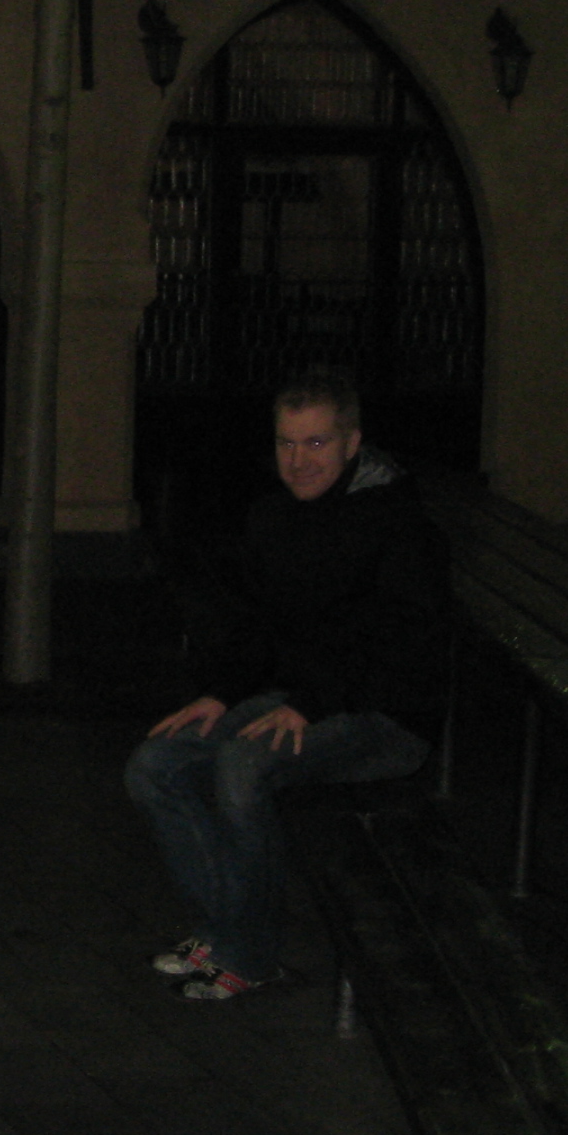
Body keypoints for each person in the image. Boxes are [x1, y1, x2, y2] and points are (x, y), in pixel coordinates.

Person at [123, 368, 447, 1000]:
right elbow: (256, 626)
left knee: (243, 768)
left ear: (352, 443)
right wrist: (221, 691)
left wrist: (312, 702)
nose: (298, 461)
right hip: (303, 697)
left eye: (317, 443)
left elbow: (402, 644)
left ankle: (249, 956)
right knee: (154, 765)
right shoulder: (275, 516)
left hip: (384, 715)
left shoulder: (399, 524)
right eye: (286, 443)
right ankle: (225, 931)